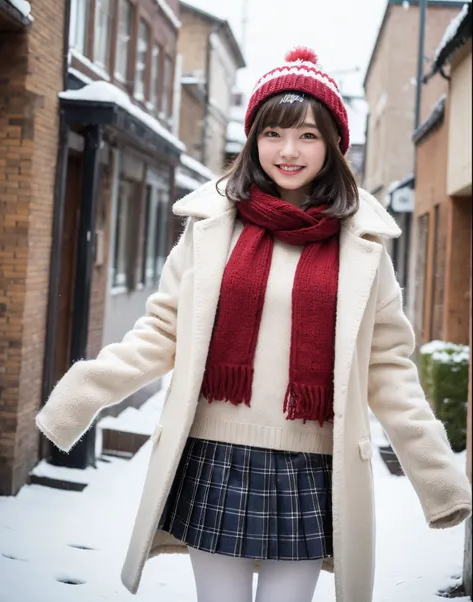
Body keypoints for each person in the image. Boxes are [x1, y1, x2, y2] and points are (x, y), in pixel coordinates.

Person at [36, 47, 472, 602]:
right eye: (274, 134)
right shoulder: (211, 229)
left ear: (334, 144)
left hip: (312, 466)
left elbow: (388, 368)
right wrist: (80, 393)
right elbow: (163, 331)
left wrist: (435, 474)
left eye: (309, 136)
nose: (288, 151)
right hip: (216, 454)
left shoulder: (362, 246)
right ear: (253, 140)